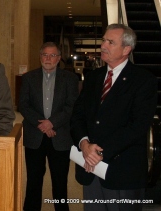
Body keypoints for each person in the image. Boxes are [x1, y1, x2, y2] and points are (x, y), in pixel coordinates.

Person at [70, 23, 157, 211]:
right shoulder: (93, 77)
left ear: (126, 49)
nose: (103, 46)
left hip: (122, 173)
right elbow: (78, 115)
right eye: (103, 40)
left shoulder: (143, 80)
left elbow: (138, 125)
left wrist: (100, 152)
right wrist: (84, 144)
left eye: (110, 42)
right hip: (90, 168)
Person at [19, 42, 79, 211]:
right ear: (40, 57)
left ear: (59, 58)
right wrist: (43, 125)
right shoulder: (29, 78)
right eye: (45, 55)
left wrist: (52, 123)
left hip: (60, 137)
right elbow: (23, 105)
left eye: (53, 55)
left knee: (60, 183)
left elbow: (71, 106)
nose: (48, 58)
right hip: (34, 137)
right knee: (33, 181)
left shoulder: (70, 79)